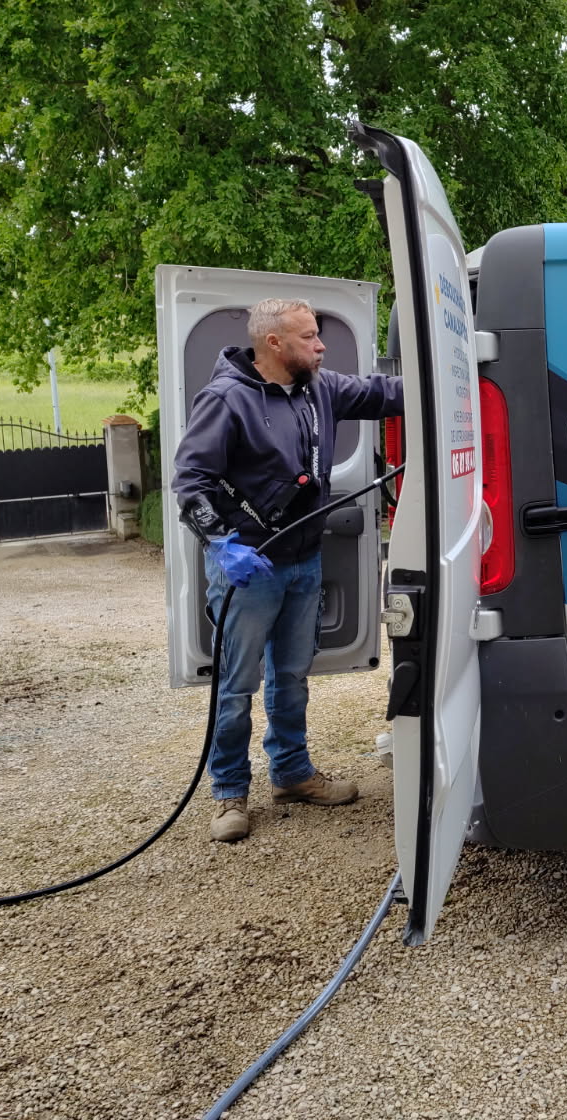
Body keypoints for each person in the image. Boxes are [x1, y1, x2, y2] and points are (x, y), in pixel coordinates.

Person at [172, 297, 403, 842]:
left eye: (318, 334)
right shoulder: (226, 399)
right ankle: (230, 791)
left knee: (292, 677)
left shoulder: (319, 388)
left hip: (304, 561)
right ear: (273, 343)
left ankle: (292, 774)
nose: (320, 346)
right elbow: (190, 482)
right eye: (308, 337)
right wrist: (221, 544)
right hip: (249, 568)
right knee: (236, 687)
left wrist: (458, 375)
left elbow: (383, 393)